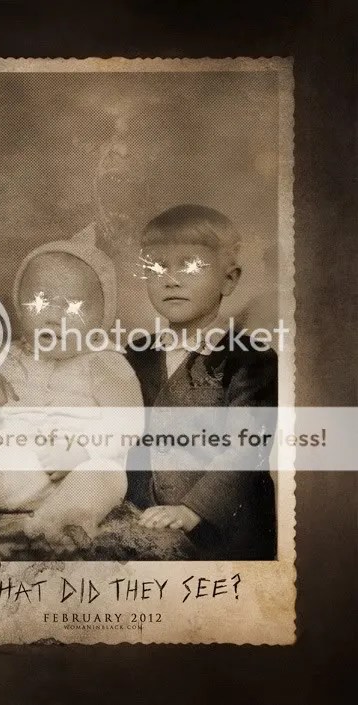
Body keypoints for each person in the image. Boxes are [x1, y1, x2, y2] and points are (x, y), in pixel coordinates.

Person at [0, 225, 144, 547]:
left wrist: (84, 450)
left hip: (73, 474)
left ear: (103, 316)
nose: (53, 317)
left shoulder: (105, 362)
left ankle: (60, 522)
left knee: (105, 475)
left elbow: (127, 423)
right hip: (13, 470)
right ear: (19, 306)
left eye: (73, 307)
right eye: (39, 303)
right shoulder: (13, 359)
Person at [126, 204, 277, 560]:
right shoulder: (134, 354)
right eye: (156, 267)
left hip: (225, 538)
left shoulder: (251, 358)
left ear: (229, 279)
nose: (171, 279)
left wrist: (192, 510)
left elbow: (246, 448)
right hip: (143, 525)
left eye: (191, 265)